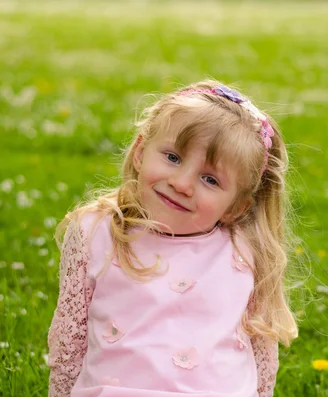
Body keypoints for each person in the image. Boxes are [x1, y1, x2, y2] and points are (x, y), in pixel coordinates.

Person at [47, 80, 300, 397]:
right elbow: (70, 337)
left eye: (209, 179)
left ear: (236, 207)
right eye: (173, 157)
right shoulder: (96, 230)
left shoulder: (244, 249)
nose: (182, 183)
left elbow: (262, 349)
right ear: (140, 151)